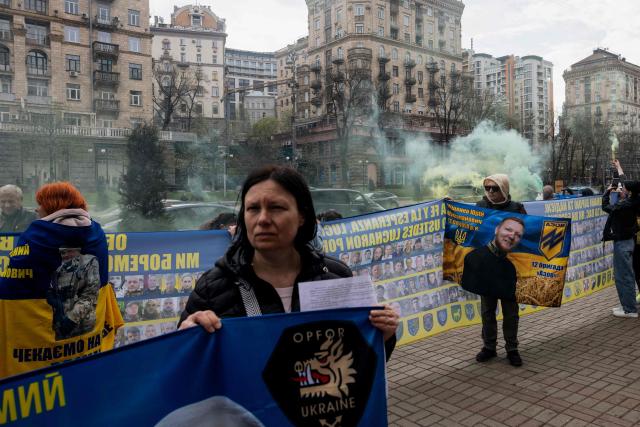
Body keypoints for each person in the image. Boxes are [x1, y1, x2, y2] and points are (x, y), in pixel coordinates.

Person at [178, 165, 398, 358]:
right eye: (253, 208)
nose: (263, 219)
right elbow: (188, 370)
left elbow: (359, 361)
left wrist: (383, 336)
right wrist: (187, 337)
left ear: (302, 216)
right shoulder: (212, 287)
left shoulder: (335, 276)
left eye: (276, 208)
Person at [0, 182, 122, 378]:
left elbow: (11, 286)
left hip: (44, 347)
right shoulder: (97, 232)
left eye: (40, 203)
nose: (37, 208)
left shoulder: (36, 235)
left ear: (52, 205)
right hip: (89, 339)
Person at [468, 174, 526, 367]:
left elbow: (529, 232)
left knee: (510, 311)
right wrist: (451, 206)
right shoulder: (481, 206)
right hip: (487, 268)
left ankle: (512, 348)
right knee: (487, 311)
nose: (490, 192)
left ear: (504, 189)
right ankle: (489, 347)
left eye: (495, 188)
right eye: (487, 188)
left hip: (509, 269)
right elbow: (466, 223)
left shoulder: (516, 208)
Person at [602, 160, 640, 318]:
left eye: (623, 188)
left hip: (623, 243)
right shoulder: (634, 201)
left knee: (624, 276)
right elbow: (628, 183)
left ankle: (629, 309)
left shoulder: (624, 206)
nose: (621, 188)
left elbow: (606, 207)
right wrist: (618, 168)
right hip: (630, 242)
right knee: (629, 274)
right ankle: (628, 305)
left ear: (629, 192)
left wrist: (606, 193)